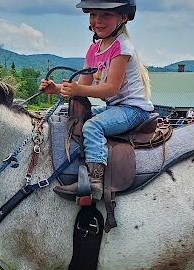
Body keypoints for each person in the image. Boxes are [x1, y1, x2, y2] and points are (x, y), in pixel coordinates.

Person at [41, 0, 153, 200]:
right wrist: (57, 88)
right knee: (66, 116)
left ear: (123, 17)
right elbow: (83, 85)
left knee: (93, 126)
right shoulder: (94, 49)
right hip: (116, 107)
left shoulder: (122, 48)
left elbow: (111, 88)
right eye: (93, 14)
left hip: (133, 109)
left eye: (106, 15)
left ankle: (95, 181)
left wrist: (77, 88)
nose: (97, 21)